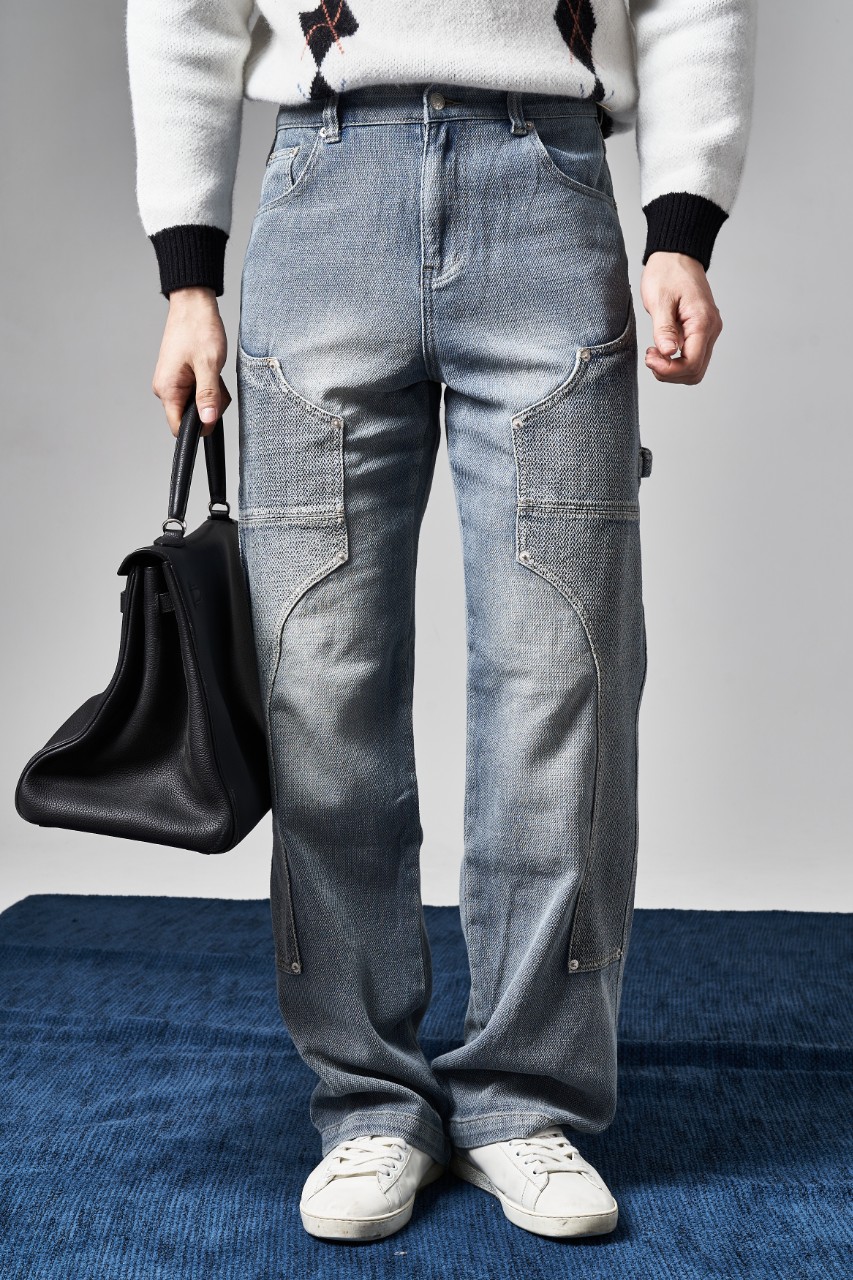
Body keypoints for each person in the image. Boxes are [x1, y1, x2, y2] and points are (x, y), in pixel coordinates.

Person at [126, 0, 757, 1245]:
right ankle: (366, 1099)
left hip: (549, 181)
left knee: (563, 670)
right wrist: (186, 273)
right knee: (316, 683)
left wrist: (682, 221)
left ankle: (525, 1096)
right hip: (324, 182)